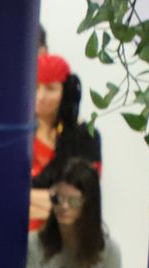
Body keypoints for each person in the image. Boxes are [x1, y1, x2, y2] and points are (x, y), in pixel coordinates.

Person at [29, 52, 101, 232]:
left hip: (65, 238)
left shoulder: (85, 136)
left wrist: (23, 199)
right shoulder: (17, 135)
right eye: (35, 87)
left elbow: (82, 201)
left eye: (50, 88)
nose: (40, 96)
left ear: (66, 91)